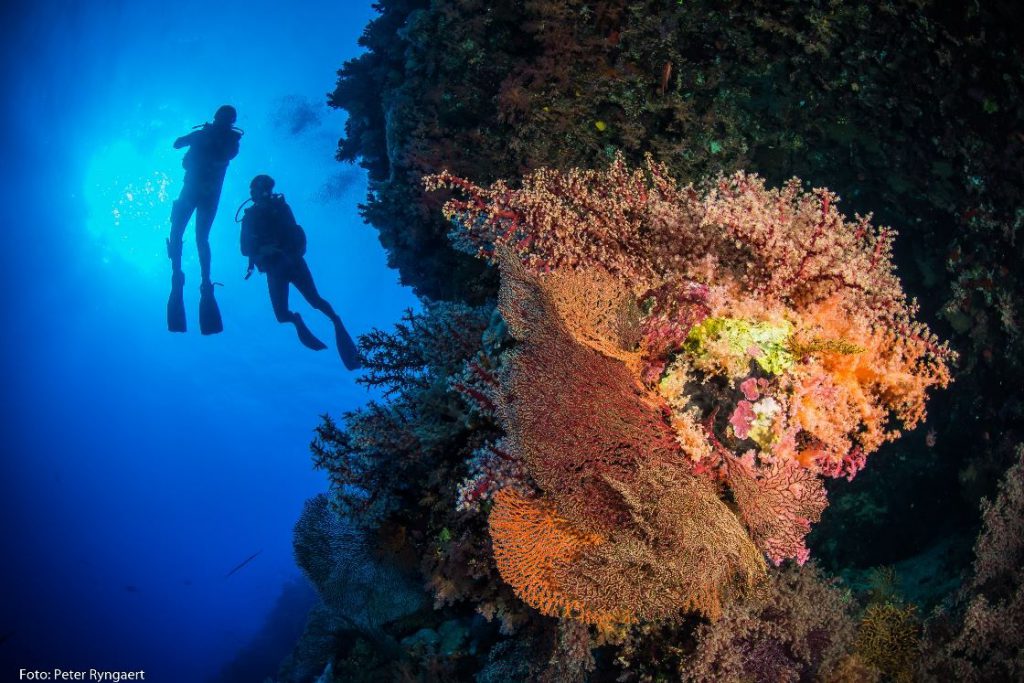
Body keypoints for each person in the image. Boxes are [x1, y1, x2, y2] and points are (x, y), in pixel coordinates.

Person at [240, 175, 362, 369]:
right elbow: (245, 249)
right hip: (273, 268)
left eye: (265, 190)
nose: (261, 194)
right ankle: (297, 320)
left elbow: (294, 232)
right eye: (257, 190)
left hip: (293, 262)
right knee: (281, 316)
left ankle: (335, 320)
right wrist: (264, 250)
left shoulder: (281, 208)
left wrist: (284, 250)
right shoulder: (249, 218)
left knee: (315, 300)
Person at [167, 104, 243, 334]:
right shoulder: (215, 136)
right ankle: (189, 278)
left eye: (224, 118)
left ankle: (196, 280)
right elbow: (178, 143)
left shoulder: (227, 139)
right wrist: (195, 139)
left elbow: (226, 154)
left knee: (193, 236)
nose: (222, 121)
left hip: (201, 192)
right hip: (203, 193)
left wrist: (197, 140)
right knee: (187, 234)